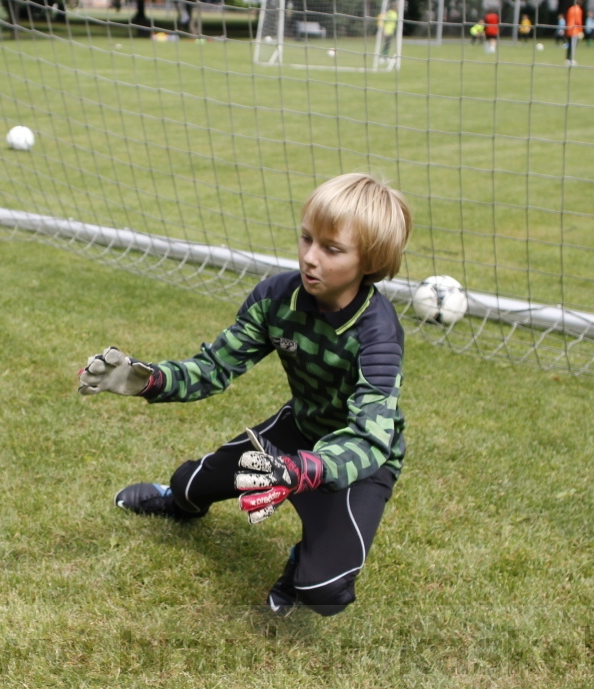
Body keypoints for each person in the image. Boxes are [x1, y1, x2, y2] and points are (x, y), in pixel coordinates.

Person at [78, 173, 412, 617]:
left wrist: (303, 470)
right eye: (306, 238)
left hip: (359, 461)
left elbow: (370, 439)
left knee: (323, 590)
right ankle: (174, 502)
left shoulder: (378, 333)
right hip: (300, 430)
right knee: (189, 485)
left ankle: (302, 561)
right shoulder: (276, 297)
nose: (309, 257)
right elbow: (215, 367)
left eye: (332, 249)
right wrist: (151, 380)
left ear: (369, 260)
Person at [565, 0, 583, 65]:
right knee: (573, 45)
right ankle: (571, 59)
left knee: (569, 44)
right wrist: (581, 30)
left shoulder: (570, 9)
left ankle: (567, 59)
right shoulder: (578, 9)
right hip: (575, 29)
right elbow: (578, 21)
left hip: (569, 28)